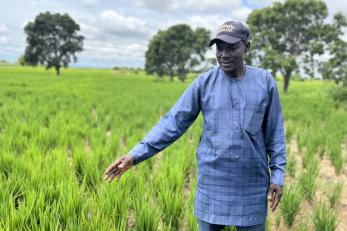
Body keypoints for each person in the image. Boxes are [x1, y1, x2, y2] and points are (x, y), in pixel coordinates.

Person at [104, 20, 286, 231]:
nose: (224, 54)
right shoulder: (204, 83)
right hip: (212, 184)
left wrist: (278, 176)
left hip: (252, 185)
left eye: (232, 47)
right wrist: (135, 155)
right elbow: (173, 122)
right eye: (219, 48)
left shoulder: (265, 82)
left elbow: (275, 135)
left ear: (246, 47)